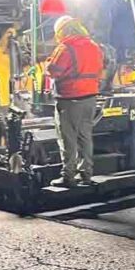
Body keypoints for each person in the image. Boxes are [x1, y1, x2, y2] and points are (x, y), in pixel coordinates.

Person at [46, 15, 104, 188]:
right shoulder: (94, 46)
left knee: (68, 140)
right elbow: (100, 70)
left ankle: (68, 176)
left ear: (62, 31)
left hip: (69, 99)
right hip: (90, 98)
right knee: (85, 137)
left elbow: (54, 71)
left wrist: (48, 64)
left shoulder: (65, 48)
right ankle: (86, 174)